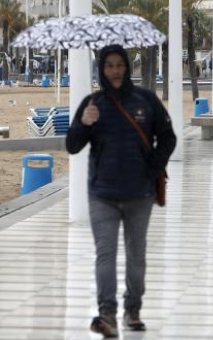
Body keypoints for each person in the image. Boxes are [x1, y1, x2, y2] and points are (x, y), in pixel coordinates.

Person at [66, 44, 177, 338]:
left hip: (139, 195)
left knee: (136, 254)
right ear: (102, 70)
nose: (115, 70)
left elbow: (168, 138)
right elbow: (72, 145)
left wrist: (152, 168)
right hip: (102, 194)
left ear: (127, 67)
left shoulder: (146, 100)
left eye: (119, 64)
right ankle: (107, 313)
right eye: (109, 66)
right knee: (105, 254)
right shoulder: (93, 104)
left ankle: (133, 309)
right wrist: (83, 123)